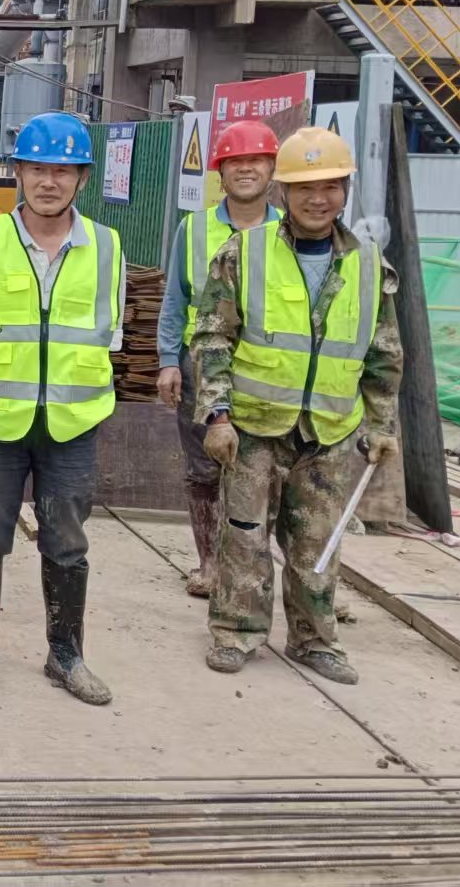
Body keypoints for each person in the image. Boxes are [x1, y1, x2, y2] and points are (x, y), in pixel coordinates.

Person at [191, 127, 402, 684]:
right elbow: (211, 338)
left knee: (318, 543)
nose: (318, 199)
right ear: (282, 192)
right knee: (243, 534)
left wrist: (382, 425)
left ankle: (314, 641)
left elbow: (383, 353)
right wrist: (217, 415)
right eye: (305, 187)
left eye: (330, 186)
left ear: (345, 190)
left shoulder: (368, 265)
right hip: (253, 427)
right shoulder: (244, 253)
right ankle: (236, 632)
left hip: (329, 432)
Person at [0, 111, 125, 705]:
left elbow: (110, 334)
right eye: (38, 168)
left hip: (73, 422)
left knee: (67, 541)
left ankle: (66, 654)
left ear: (82, 178)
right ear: (17, 172)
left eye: (63, 171)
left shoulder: (106, 246)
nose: (49, 181)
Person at [154, 120, 281, 597]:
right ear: (220, 173)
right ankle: (209, 563)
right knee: (204, 470)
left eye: (256, 160)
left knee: (264, 474)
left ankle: (251, 566)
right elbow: (175, 300)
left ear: (272, 169)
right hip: (201, 367)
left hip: (267, 369)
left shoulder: (289, 231)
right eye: (235, 162)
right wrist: (169, 360)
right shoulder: (194, 228)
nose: (246, 169)